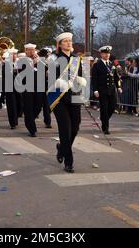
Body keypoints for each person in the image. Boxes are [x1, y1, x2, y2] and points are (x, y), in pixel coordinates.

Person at [47, 32, 87, 173]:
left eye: (70, 41)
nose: (69, 43)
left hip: (74, 95)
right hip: (59, 97)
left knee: (75, 128)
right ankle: (68, 162)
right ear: (59, 44)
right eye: (65, 41)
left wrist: (80, 81)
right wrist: (57, 82)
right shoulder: (53, 58)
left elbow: (79, 75)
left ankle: (62, 148)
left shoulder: (76, 59)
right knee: (65, 129)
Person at [91, 46, 122, 134]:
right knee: (104, 108)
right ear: (101, 54)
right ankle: (105, 127)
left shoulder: (112, 64)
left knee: (112, 107)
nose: (107, 55)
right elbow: (94, 78)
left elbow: (116, 77)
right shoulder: (97, 65)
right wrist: (95, 90)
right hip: (102, 90)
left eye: (108, 53)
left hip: (112, 90)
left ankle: (104, 119)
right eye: (105, 53)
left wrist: (119, 86)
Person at [21, 43, 41, 137]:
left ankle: (30, 120)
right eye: (29, 50)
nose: (31, 52)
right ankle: (32, 129)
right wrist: (34, 62)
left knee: (38, 107)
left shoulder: (39, 60)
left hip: (38, 87)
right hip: (27, 88)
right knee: (28, 108)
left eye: (33, 50)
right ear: (25, 51)